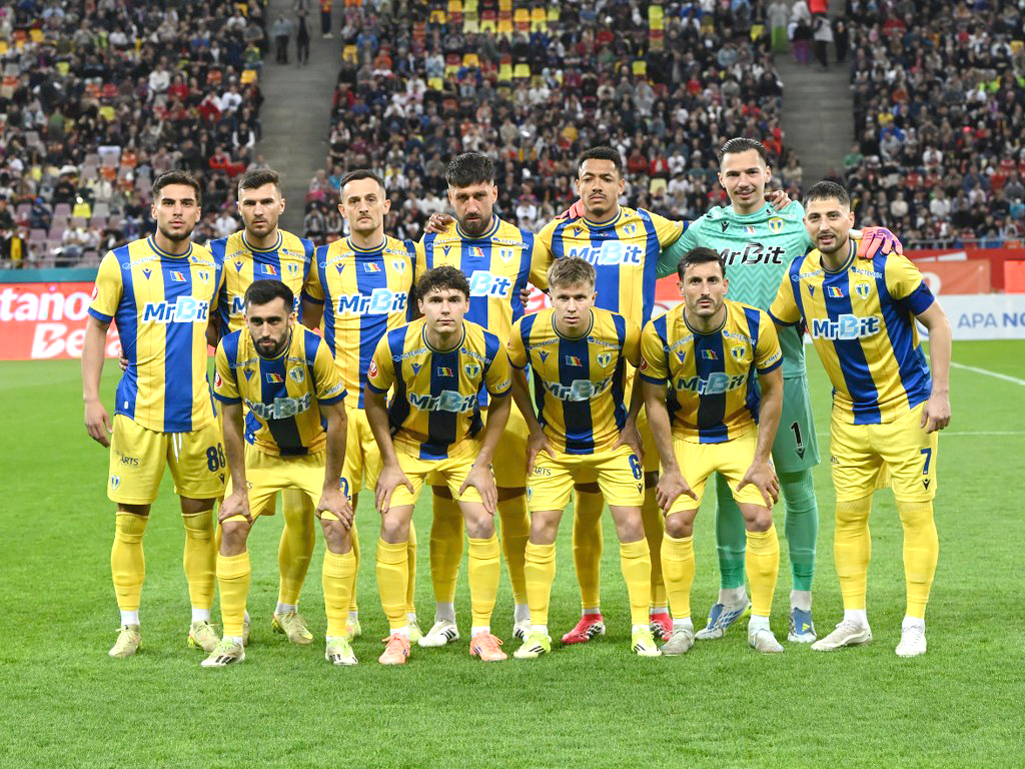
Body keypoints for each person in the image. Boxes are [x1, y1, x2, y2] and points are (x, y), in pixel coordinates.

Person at [656, 138, 900, 644]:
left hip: (782, 375)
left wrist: (878, 234)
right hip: (721, 382)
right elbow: (645, 258)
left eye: (752, 172)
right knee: (730, 490)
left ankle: (801, 603)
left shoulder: (796, 221)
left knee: (795, 486)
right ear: (720, 180)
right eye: (733, 174)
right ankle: (731, 595)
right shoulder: (705, 229)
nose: (743, 182)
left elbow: (842, 236)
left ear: (768, 174)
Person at [769, 181, 951, 657]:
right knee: (848, 515)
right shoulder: (799, 275)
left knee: (914, 513)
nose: (824, 225)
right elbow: (774, 326)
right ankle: (855, 620)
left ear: (852, 219)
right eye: (815, 218)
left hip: (906, 411)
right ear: (805, 224)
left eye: (833, 215)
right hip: (847, 418)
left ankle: (914, 622)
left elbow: (938, 323)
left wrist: (940, 394)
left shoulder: (887, 265)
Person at [83, 170, 225, 658]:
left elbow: (219, 328)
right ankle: (129, 626)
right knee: (129, 523)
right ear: (154, 209)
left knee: (201, 524)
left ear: (199, 211)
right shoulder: (120, 263)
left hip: (199, 418)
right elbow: (96, 329)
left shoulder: (211, 265)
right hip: (138, 415)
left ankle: (201, 622)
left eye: (187, 203)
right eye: (169, 202)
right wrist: (90, 398)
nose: (177, 211)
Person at [413, 153, 547, 647]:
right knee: (446, 509)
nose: (471, 205)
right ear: (450, 198)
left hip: (503, 397)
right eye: (461, 197)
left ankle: (523, 612)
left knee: (510, 505)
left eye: (479, 195)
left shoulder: (524, 244)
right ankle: (445, 617)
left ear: (495, 192)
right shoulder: (432, 244)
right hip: (444, 399)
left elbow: (565, 288)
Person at [506, 258, 659, 659]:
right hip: (554, 448)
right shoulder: (527, 331)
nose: (571, 306)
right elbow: (513, 375)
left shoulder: (621, 330)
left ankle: (641, 628)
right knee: (541, 529)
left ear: (594, 296)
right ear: (549, 297)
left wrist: (631, 426)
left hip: (610, 444)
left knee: (631, 525)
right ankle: (538, 631)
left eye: (579, 297)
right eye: (562, 298)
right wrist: (534, 430)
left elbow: (646, 372)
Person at [640, 247, 786, 655]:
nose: (704, 290)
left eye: (712, 281)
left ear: (726, 284)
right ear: (680, 287)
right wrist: (669, 468)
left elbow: (774, 391)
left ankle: (760, 624)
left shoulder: (755, 324)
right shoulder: (658, 333)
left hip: (740, 432)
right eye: (695, 281)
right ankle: (682, 626)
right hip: (687, 436)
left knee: (760, 517)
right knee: (676, 523)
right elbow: (654, 402)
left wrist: (762, 459)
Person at [365, 266, 512, 665]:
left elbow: (502, 404)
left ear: (466, 304)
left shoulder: (489, 347)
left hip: (463, 447)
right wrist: (389, 463)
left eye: (453, 300)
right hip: (407, 446)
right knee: (393, 525)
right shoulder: (395, 344)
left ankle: (482, 633)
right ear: (421, 306)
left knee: (482, 522)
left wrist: (483, 463)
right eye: (435, 301)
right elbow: (373, 401)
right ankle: (398, 634)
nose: (444, 309)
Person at [206, 280, 353, 667]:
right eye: (256, 321)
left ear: (291, 318)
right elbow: (230, 421)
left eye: (274, 320)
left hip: (315, 452)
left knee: (337, 524)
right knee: (232, 525)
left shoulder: (313, 349)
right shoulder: (230, 350)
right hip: (264, 452)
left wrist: (332, 487)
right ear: (245, 319)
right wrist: (238, 489)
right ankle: (232, 639)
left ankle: (337, 639)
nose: (265, 331)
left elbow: (338, 420)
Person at [303, 169, 419, 643]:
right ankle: (348, 611)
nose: (364, 207)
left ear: (387, 205)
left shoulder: (411, 255)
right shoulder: (323, 260)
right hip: (341, 411)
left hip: (394, 411)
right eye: (354, 201)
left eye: (372, 198)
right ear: (342, 210)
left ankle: (406, 612)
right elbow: (309, 323)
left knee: (399, 515)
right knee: (340, 512)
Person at [208, 169, 320, 646]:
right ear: (238, 207)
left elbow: (313, 314)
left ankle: (286, 609)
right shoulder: (216, 254)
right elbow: (202, 316)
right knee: (234, 514)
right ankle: (234, 616)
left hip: (297, 407)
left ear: (281, 205)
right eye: (249, 202)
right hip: (242, 402)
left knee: (301, 517)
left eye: (266, 202)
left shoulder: (305, 252)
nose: (258, 210)